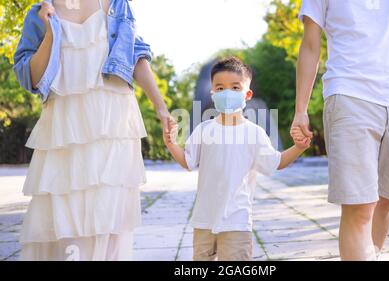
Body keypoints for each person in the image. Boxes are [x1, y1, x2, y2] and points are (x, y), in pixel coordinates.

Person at [13, 0, 172, 261]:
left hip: (114, 125)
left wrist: (161, 108)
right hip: (64, 129)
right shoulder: (40, 12)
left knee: (108, 219)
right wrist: (51, 32)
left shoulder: (118, 5)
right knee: (63, 217)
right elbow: (30, 77)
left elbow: (136, 55)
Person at [292, 0, 389, 260]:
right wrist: (300, 109)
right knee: (360, 207)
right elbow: (310, 45)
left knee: (385, 201)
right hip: (349, 93)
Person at [163, 57, 311, 261]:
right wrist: (171, 144)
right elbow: (188, 161)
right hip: (204, 220)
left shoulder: (254, 133)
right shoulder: (204, 130)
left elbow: (276, 162)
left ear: (247, 94)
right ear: (213, 92)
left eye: (235, 87)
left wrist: (298, 147)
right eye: (220, 87)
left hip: (237, 221)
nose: (227, 93)